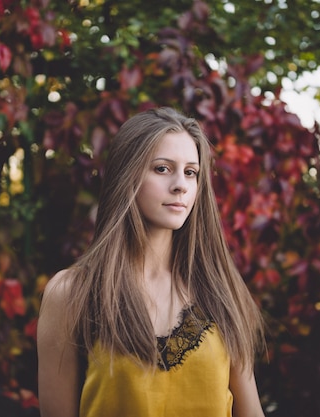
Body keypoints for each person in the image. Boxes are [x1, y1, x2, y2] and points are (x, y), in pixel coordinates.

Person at [37, 107, 265, 417]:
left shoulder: (220, 291)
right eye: (161, 168)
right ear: (126, 175)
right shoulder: (72, 293)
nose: (180, 185)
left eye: (190, 172)